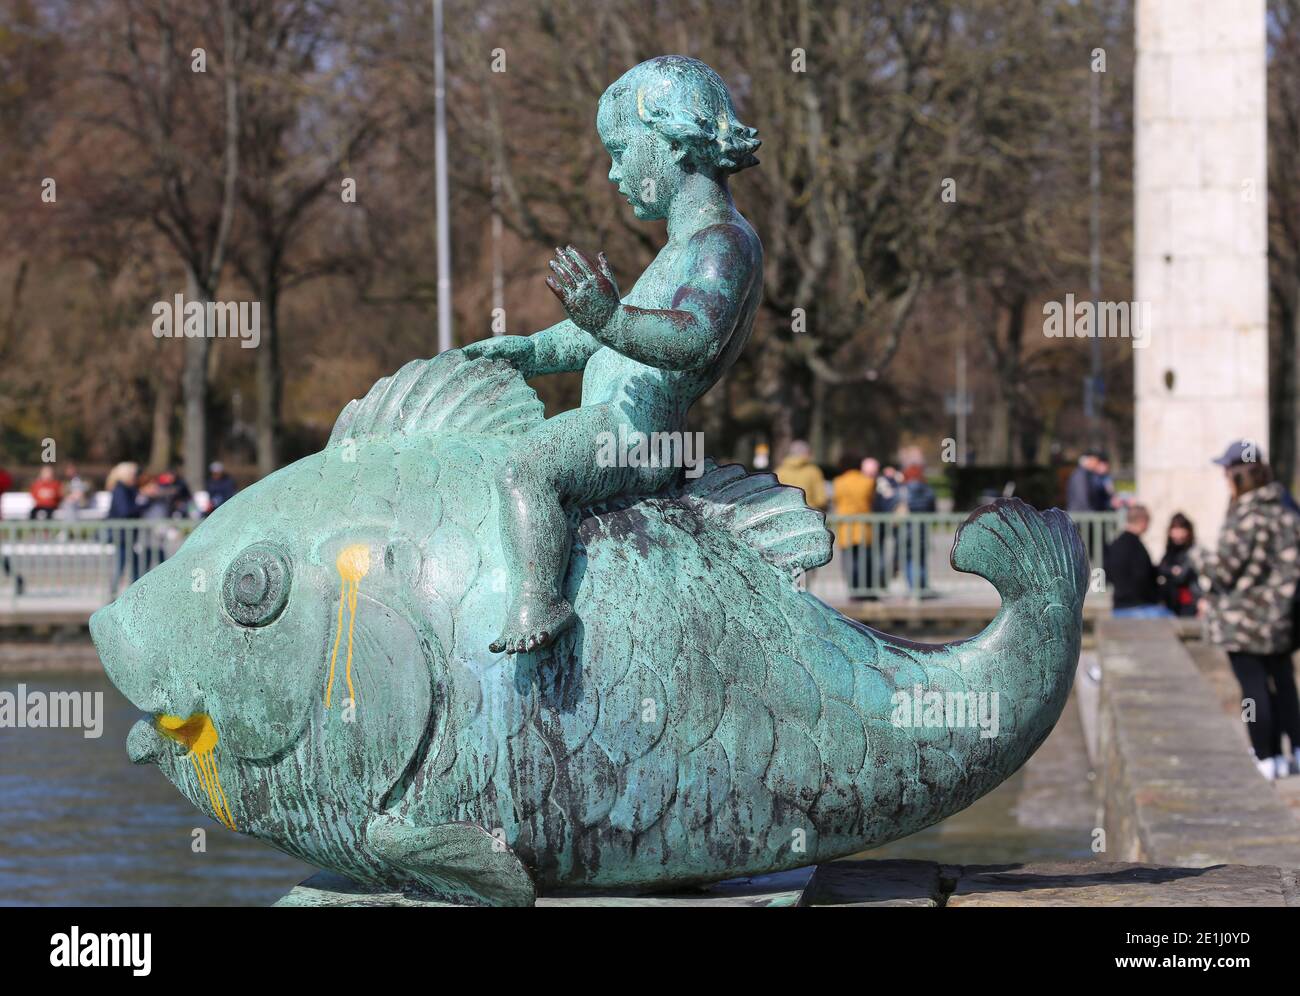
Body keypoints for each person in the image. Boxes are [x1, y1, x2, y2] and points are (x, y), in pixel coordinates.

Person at [458, 57, 764, 654]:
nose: (613, 172)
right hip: (617, 426)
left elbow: (694, 336)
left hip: (635, 436)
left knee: (526, 469)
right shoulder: (681, 250)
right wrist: (530, 351)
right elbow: (597, 337)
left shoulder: (722, 242)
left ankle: (537, 603)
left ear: (674, 143)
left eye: (622, 150)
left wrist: (612, 317)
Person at [1192, 444, 1300, 780]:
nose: (1224, 477)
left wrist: (1198, 557)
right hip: (1281, 617)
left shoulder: (1246, 515)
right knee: (1283, 684)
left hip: (1245, 620)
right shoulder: (1286, 511)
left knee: (1253, 689)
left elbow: (1224, 569)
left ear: (1238, 475)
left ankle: (1265, 756)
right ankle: (1294, 751)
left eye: (1227, 471)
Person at [1102, 504, 1170, 618]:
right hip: (1140, 608)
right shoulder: (1137, 547)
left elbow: (1107, 574)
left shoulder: (1115, 545)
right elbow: (1143, 576)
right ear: (1143, 521)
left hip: (1118, 609)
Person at [831, 453, 875, 599]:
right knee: (865, 562)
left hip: (846, 528)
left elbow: (836, 501)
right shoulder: (868, 481)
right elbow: (871, 500)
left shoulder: (838, 482)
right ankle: (866, 590)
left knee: (849, 563)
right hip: (863, 527)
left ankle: (853, 591)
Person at [898, 461, 936, 592]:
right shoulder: (928, 490)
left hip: (906, 530)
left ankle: (913, 588)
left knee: (908, 559)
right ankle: (922, 587)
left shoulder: (903, 490)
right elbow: (932, 510)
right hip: (922, 530)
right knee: (921, 560)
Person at [106, 462, 143, 589]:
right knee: (124, 563)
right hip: (121, 534)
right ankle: (113, 591)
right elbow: (125, 510)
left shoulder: (128, 489)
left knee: (133, 563)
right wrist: (142, 504)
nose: (136, 477)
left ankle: (134, 590)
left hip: (126, 534)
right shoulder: (120, 489)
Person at [1156, 512, 1200, 617]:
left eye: (1181, 528)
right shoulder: (1169, 552)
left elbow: (1182, 575)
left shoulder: (1191, 551)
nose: (1178, 533)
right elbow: (1159, 569)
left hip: (1187, 602)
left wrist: (1167, 571)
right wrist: (1171, 570)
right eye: (1175, 528)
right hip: (1170, 601)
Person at [775, 441, 828, 511]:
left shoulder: (779, 471)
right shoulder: (813, 471)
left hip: (784, 514)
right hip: (808, 514)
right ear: (806, 453)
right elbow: (821, 500)